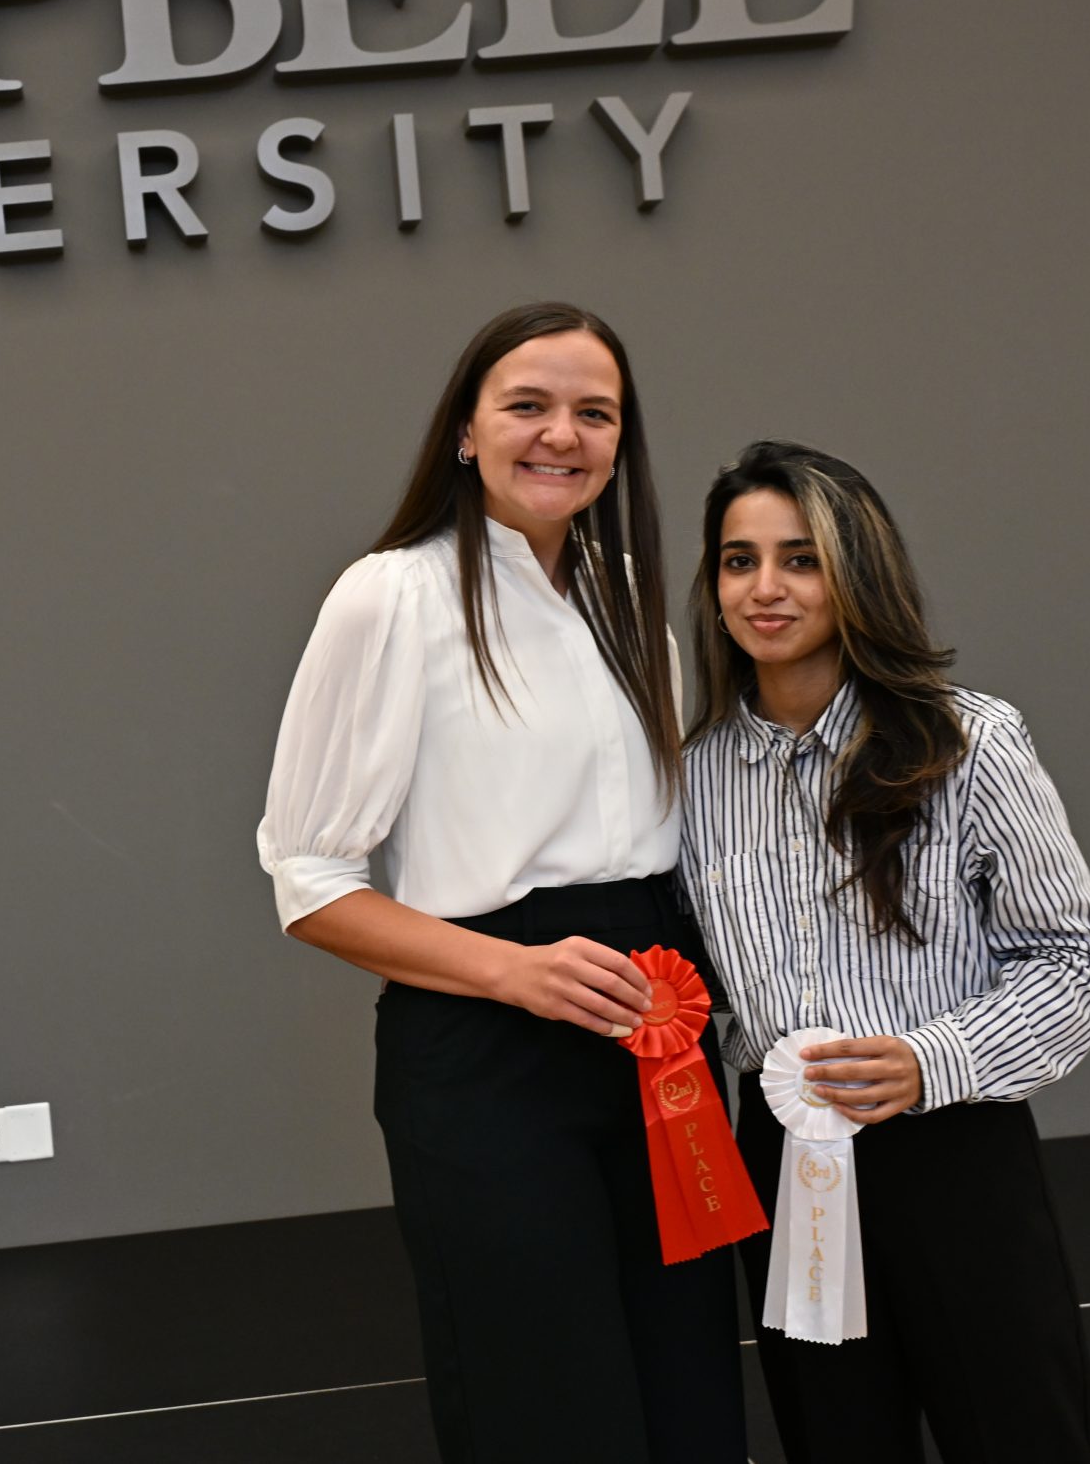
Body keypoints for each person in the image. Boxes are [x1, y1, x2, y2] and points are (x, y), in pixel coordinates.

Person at [258, 303, 746, 1464]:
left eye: (594, 413)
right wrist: (510, 973)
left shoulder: (630, 604)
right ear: (466, 433)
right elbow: (310, 881)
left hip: (654, 1036)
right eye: (527, 405)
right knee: (547, 1403)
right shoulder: (392, 597)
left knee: (687, 1390)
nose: (560, 435)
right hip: (487, 1049)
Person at [679, 439, 1090, 1463]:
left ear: (856, 574)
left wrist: (932, 1060)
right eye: (738, 560)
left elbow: (1077, 961)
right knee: (835, 1441)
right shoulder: (686, 782)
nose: (765, 588)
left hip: (953, 1157)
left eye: (799, 558)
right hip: (784, 1165)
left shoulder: (967, 743)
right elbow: (698, 995)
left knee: (1026, 1436)